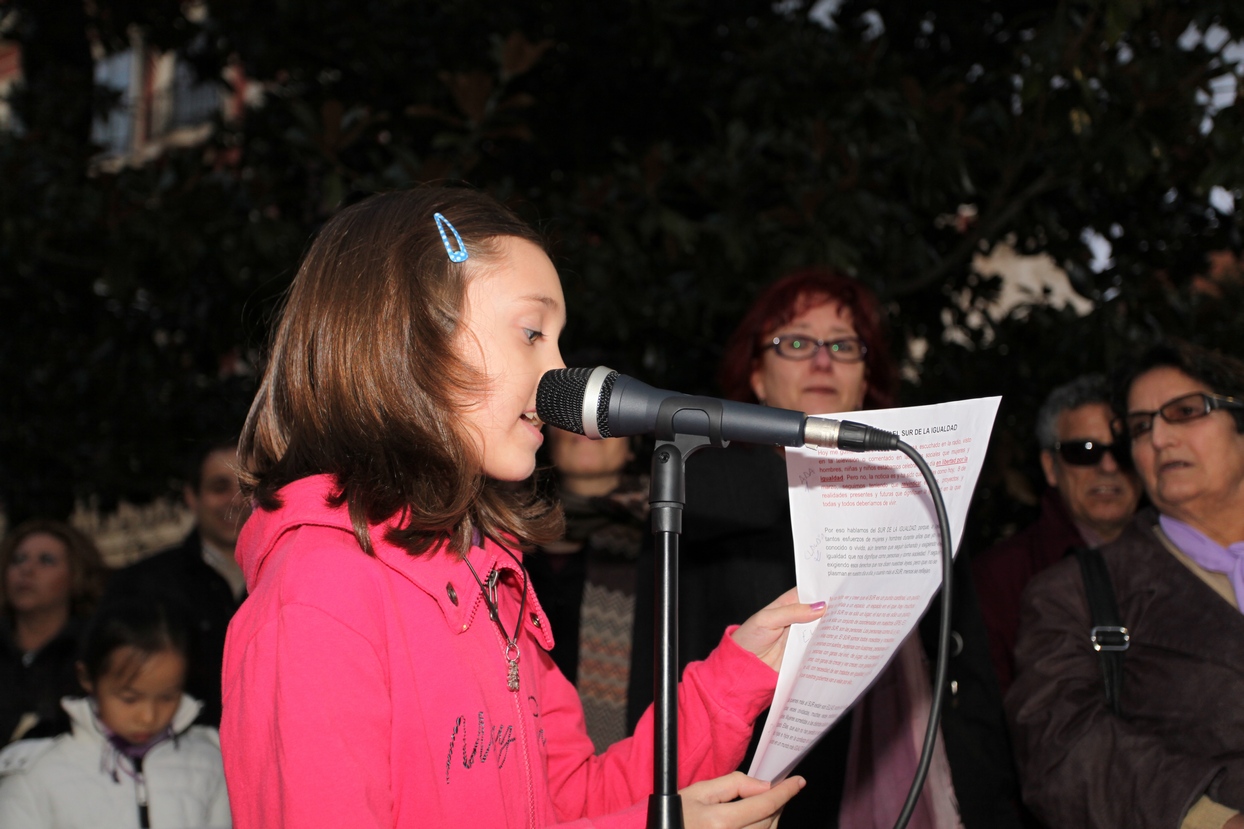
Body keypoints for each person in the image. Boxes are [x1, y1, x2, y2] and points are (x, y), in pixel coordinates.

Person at [219, 186, 826, 829]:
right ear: (409, 340)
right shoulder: (319, 599)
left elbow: (575, 800)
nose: (560, 373)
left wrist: (739, 675)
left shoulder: (487, 581)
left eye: (559, 342)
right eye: (532, 333)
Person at [628, 267, 1021, 829]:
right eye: (795, 342)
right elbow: (659, 671)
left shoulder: (920, 489)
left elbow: (970, 678)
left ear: (867, 379)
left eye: (843, 344)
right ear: (757, 379)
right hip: (746, 800)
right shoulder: (704, 494)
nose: (822, 360)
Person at [1007, 340, 1244, 829]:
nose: (1158, 438)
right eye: (1140, 426)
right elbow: (1061, 750)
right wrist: (1208, 819)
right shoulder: (1077, 593)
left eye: (1184, 412)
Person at [972, 374, 1143, 693]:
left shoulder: (1183, 560)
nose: (1107, 466)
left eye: (1121, 450)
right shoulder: (1000, 578)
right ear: (1051, 467)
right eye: (1083, 451)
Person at [0, 596, 231, 828]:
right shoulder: (35, 776)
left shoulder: (210, 763)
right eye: (129, 699)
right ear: (87, 677)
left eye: (167, 697)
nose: (148, 717)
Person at [107, 438, 249, 727]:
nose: (236, 500)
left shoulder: (293, 579)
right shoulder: (141, 585)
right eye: (220, 487)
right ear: (191, 496)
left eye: (248, 487)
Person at [527, 423, 648, 751]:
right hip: (519, 741)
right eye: (572, 418)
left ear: (632, 446)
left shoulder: (666, 535)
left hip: (624, 752)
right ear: (546, 439)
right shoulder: (502, 533)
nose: (587, 428)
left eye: (605, 421)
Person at [0, 519, 107, 744]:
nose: (27, 570)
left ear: (76, 574)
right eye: (18, 559)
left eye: (46, 561)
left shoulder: (96, 651)